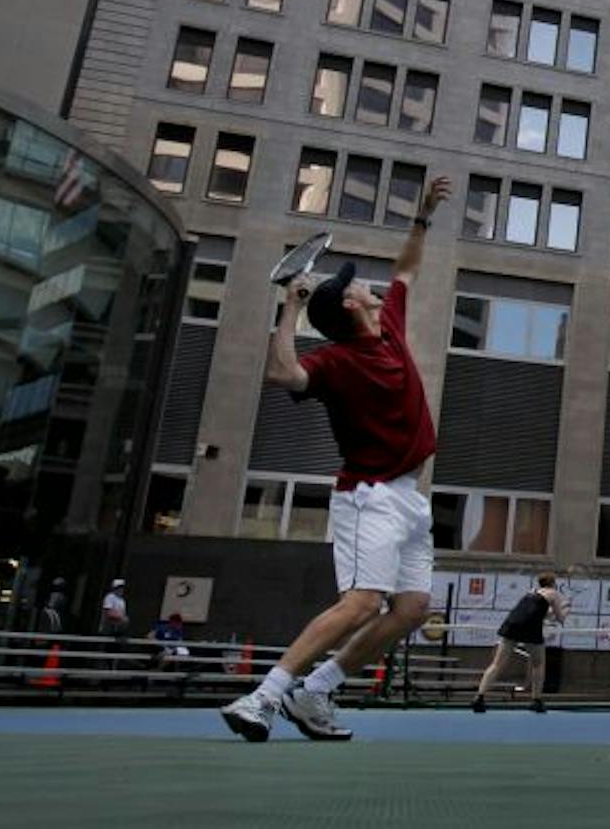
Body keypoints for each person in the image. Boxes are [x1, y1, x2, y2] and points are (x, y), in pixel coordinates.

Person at [219, 175, 451, 743]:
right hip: (368, 497)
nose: (366, 285)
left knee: (413, 607)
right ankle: (263, 697)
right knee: (364, 603)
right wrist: (289, 310)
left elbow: (407, 269)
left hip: (410, 499)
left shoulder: (390, 325)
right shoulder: (334, 361)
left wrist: (421, 217)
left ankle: (317, 689)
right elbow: (281, 374)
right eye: (354, 285)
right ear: (351, 305)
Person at [472, 573, 567, 714]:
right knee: (538, 664)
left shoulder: (532, 592)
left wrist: (553, 612)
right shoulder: (554, 593)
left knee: (497, 664)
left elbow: (539, 613)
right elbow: (560, 619)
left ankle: (479, 697)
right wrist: (566, 608)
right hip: (530, 627)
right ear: (552, 583)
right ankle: (536, 700)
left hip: (512, 623)